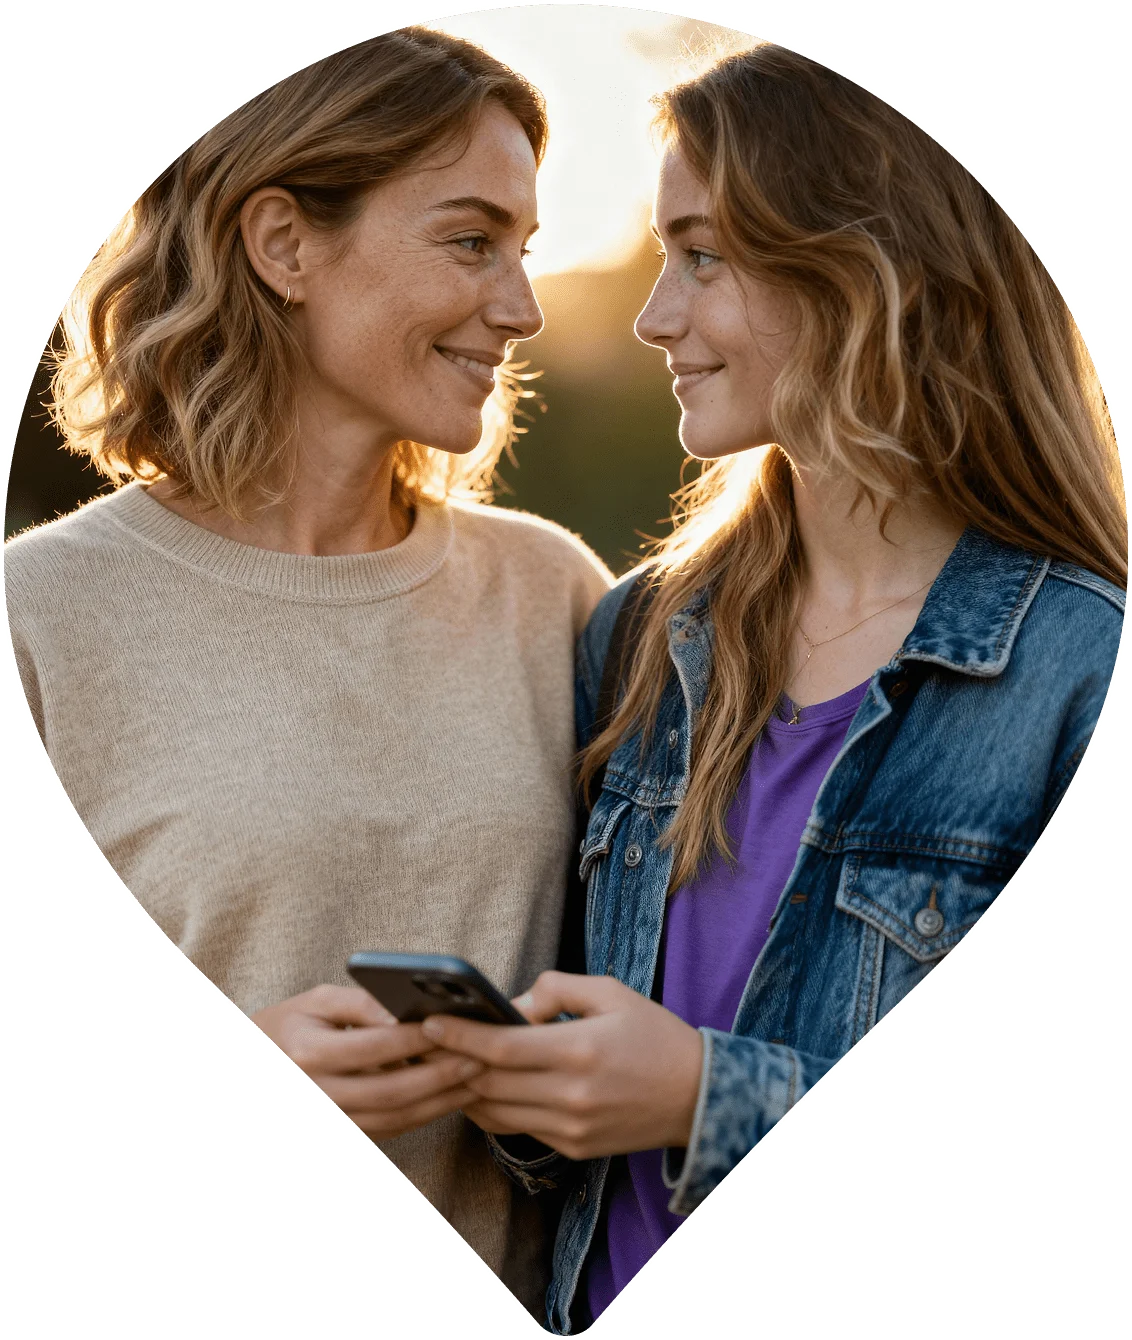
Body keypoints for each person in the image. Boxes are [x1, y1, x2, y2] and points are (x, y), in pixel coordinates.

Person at [417, 42, 1128, 1333]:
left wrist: (703, 1096)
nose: (654, 319)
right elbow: (586, 1116)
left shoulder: (1081, 667)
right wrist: (512, 1075)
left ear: (861, 271)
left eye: (702, 256)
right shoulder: (643, 636)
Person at [3, 29, 611, 1319]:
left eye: (524, 248)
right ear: (284, 245)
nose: (521, 307)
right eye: (469, 241)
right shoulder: (40, 614)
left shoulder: (553, 594)